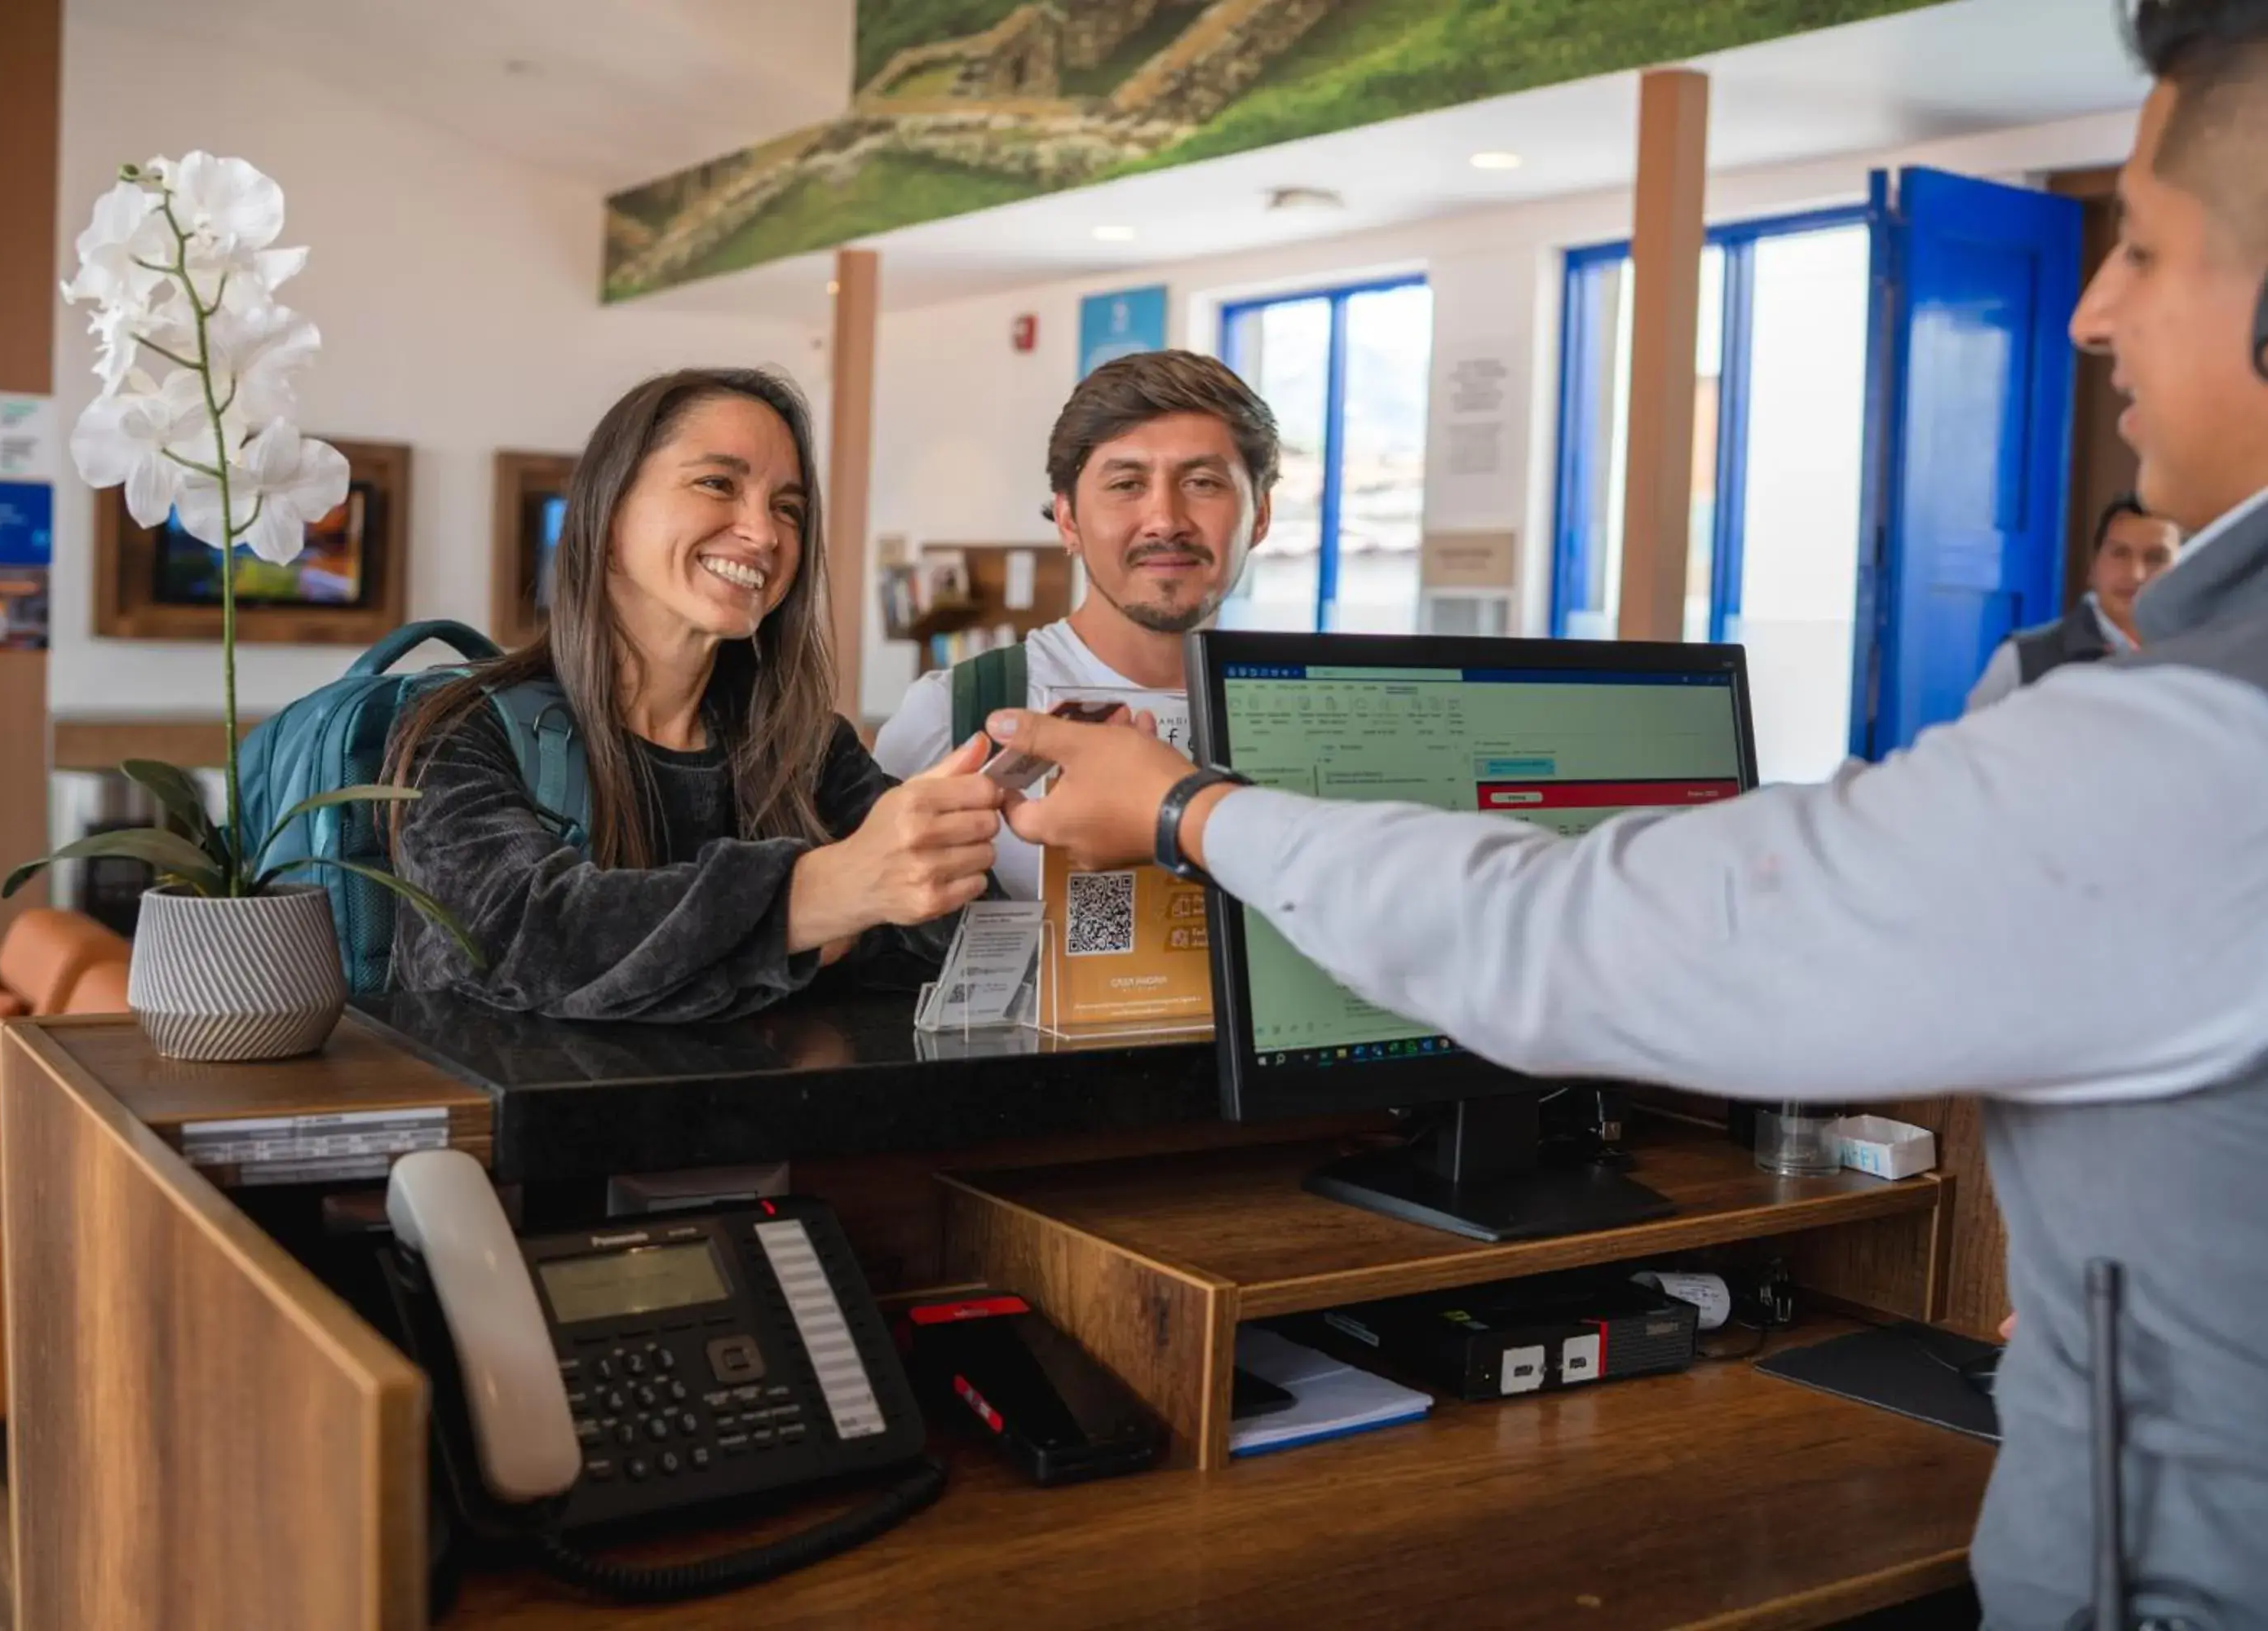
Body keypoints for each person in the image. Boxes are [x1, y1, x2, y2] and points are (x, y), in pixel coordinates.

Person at [988, 2, 2268, 1621]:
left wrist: (1190, 811)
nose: (2090, 310)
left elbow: (1566, 937)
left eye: (2144, 250)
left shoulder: (2196, 749)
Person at [385, 368, 1002, 1022]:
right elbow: (519, 939)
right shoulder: (461, 730)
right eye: (718, 484)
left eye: (787, 509)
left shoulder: (809, 749)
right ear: (611, 511)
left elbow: (965, 940)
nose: (764, 534)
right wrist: (823, 898)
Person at [872, 349, 1277, 895]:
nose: (1165, 520)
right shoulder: (956, 715)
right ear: (1067, 520)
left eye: (1203, 482)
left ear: (1261, 515)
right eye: (1126, 484)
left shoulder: (1300, 718)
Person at [1965, 493, 2184, 709]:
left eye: (2156, 557)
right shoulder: (2023, 660)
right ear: (2093, 568)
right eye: (2120, 553)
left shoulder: (2202, 660)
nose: (2136, 574)